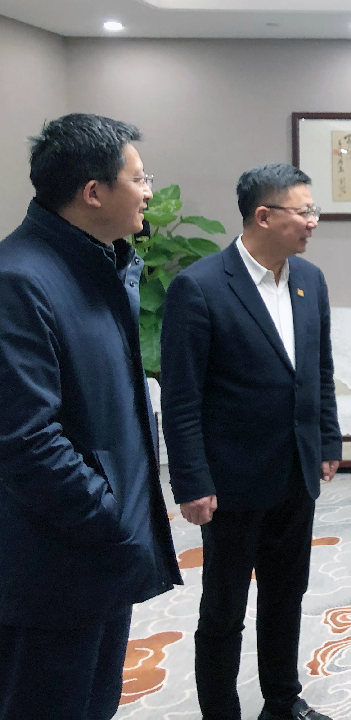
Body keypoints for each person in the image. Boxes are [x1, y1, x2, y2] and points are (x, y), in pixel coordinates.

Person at [0, 113, 181, 718]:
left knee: (94, 703)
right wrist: (111, 518)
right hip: (53, 566)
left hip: (99, 554)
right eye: (140, 178)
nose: (149, 191)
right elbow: (26, 441)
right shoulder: (18, 281)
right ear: (94, 192)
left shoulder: (101, 266)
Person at [160, 163, 342, 720]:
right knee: (224, 609)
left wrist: (327, 440)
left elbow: (319, 370)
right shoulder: (200, 287)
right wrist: (191, 481)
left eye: (313, 210)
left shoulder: (310, 280)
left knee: (286, 595)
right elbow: (182, 398)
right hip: (232, 481)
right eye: (304, 211)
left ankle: (282, 702)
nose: (313, 222)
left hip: (295, 471)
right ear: (263, 216)